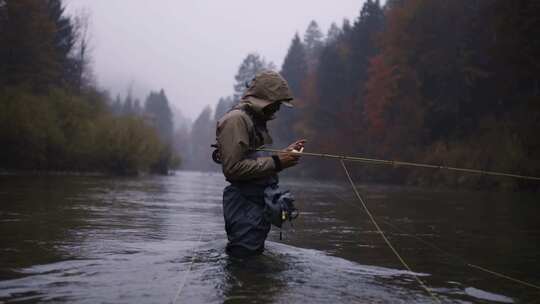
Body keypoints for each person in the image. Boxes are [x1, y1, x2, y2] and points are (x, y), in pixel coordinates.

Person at [215, 70, 305, 258]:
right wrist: (278, 161)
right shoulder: (236, 120)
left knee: (252, 260)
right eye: (276, 104)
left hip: (254, 207)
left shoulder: (251, 120)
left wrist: (285, 154)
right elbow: (233, 169)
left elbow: (252, 157)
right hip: (243, 207)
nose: (277, 110)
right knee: (245, 263)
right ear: (266, 100)